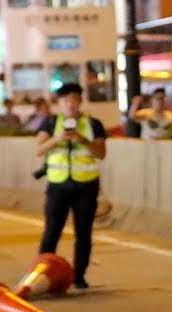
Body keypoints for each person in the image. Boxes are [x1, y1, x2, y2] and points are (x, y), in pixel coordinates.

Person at [34, 83, 108, 289]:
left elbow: (101, 153)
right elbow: (39, 149)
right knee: (52, 231)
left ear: (81, 101)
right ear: (59, 104)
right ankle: (41, 275)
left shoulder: (93, 124)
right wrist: (57, 139)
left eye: (75, 99)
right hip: (58, 186)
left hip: (86, 186)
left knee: (83, 232)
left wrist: (82, 140)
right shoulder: (50, 123)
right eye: (66, 100)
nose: (71, 104)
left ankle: (79, 275)